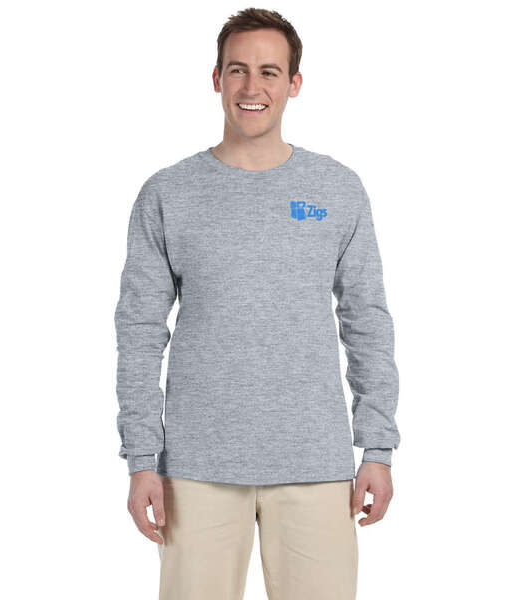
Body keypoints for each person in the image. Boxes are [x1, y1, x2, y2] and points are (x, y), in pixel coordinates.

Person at [114, 7, 400, 600]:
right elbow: (139, 331)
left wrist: (378, 447)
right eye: (238, 69)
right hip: (195, 468)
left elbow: (367, 322)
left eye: (270, 72)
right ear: (216, 78)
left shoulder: (336, 189)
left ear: (294, 84)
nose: (252, 86)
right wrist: (142, 458)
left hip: (315, 464)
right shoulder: (168, 193)